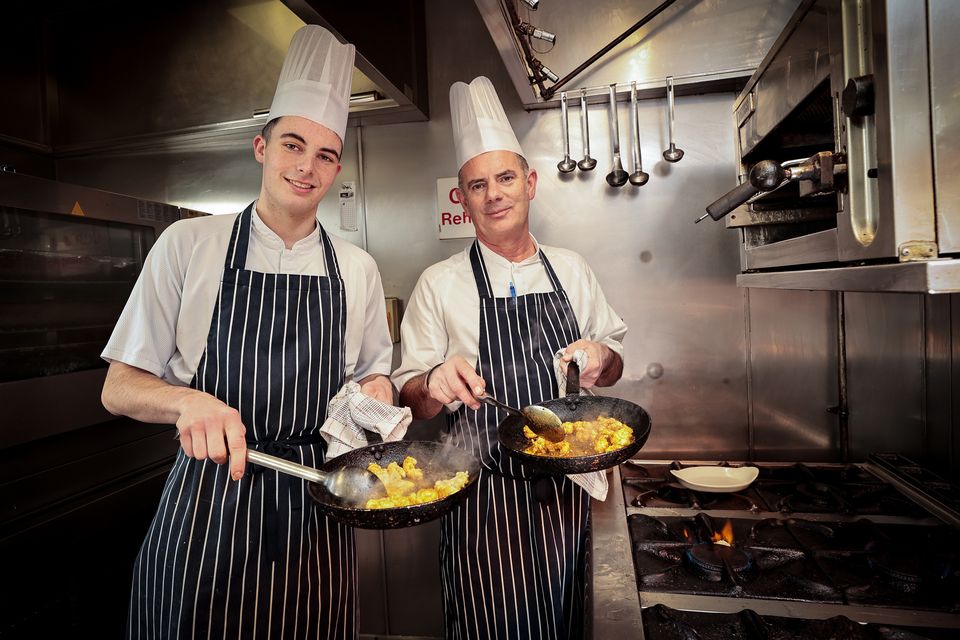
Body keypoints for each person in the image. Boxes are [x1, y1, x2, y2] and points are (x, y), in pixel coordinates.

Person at [100, 25, 393, 639]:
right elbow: (119, 386)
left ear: (338, 167)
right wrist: (187, 399)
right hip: (209, 499)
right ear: (261, 147)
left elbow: (372, 376)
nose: (306, 167)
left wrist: (379, 394)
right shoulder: (188, 246)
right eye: (292, 145)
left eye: (325, 154)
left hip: (317, 505)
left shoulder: (357, 268)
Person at [392, 76, 628, 640]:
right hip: (480, 500)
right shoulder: (439, 284)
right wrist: (434, 382)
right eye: (478, 184)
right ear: (464, 197)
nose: (494, 194)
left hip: (570, 493)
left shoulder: (571, 269)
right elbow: (410, 400)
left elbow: (616, 363)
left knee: (570, 622)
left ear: (530, 182)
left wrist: (601, 355)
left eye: (504, 178)